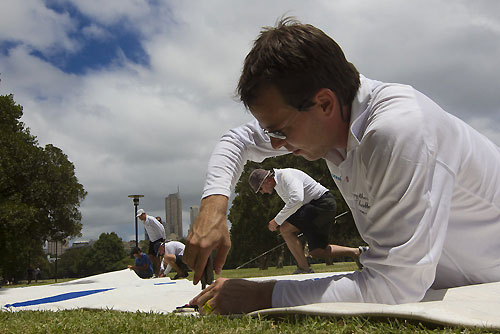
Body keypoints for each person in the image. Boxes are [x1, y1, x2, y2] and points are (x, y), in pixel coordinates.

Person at [183, 17, 500, 315]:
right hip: (448, 280)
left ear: (324, 104)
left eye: (279, 131)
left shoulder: (400, 130)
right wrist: (213, 208)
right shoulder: (328, 124)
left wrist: (261, 295)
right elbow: (236, 140)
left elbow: (394, 287)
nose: (275, 145)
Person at [249, 168, 365, 273]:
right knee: (317, 251)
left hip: (322, 204)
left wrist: (276, 221)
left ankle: (304, 268)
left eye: (260, 189)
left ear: (266, 180)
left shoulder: (286, 176)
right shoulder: (278, 186)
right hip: (318, 208)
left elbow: (297, 199)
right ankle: (357, 252)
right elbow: (294, 208)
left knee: (285, 229)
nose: (262, 192)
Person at [137, 209, 166, 276]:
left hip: (158, 239)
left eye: (140, 216)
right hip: (152, 240)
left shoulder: (151, 219)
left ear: (144, 214)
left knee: (157, 257)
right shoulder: (145, 222)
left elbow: (161, 227)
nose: (139, 218)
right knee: (150, 256)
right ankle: (157, 271)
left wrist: (163, 238)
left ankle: (158, 273)